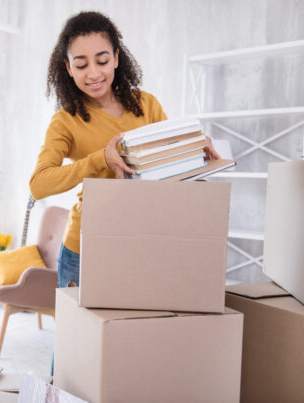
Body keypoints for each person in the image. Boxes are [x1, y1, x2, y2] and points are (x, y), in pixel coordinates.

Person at [30, 11, 220, 290]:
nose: (94, 73)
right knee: (83, 333)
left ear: (116, 58)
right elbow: (38, 185)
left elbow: (169, 170)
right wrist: (101, 159)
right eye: (81, 65)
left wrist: (193, 149)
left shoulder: (147, 105)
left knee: (132, 329)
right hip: (85, 246)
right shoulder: (65, 121)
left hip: (143, 237)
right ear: (68, 68)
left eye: (103, 61)